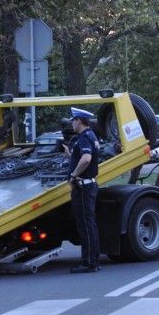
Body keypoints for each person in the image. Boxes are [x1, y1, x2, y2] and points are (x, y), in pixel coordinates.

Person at [64, 108, 101, 273]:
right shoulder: (90, 137)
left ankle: (89, 263)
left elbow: (86, 159)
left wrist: (73, 175)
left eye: (73, 120)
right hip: (88, 185)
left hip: (83, 187)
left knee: (86, 225)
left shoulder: (84, 138)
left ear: (79, 121)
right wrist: (70, 155)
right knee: (89, 224)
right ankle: (93, 261)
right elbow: (83, 157)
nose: (72, 123)